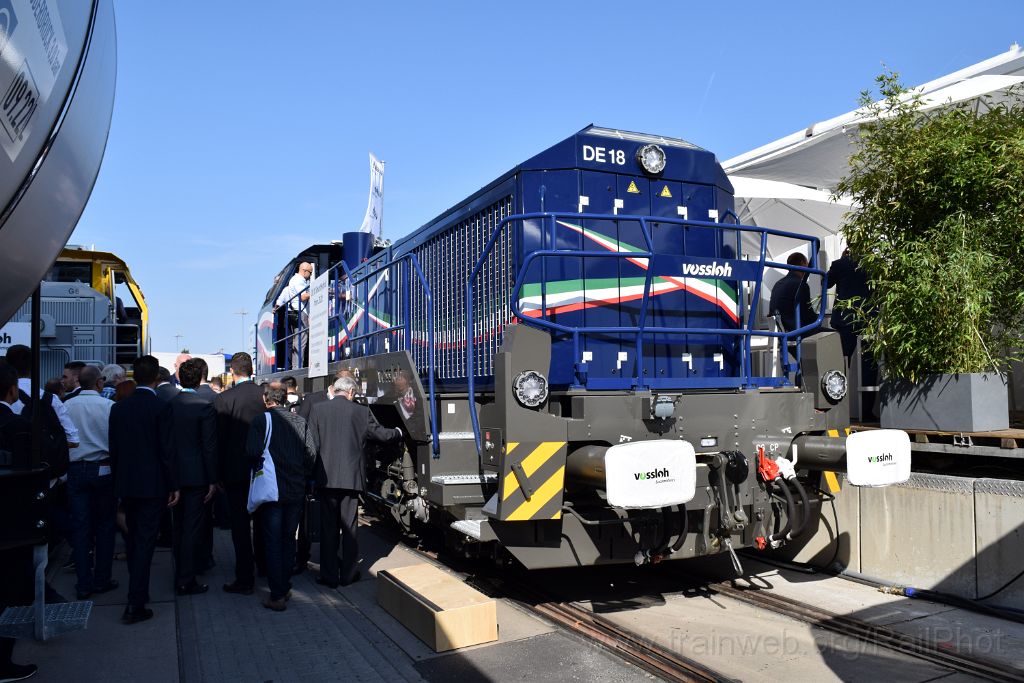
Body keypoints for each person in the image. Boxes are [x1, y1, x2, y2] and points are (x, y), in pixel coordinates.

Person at [308, 376, 402, 587]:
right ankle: (348, 575)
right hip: (351, 478)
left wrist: (312, 476)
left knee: (328, 528)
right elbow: (381, 434)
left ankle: (329, 576)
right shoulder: (360, 412)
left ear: (336, 390)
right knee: (350, 527)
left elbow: (312, 445)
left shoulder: (318, 409)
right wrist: (397, 432)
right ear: (350, 392)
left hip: (326, 478)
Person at [108, 355, 179, 624]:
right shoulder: (161, 407)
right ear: (157, 378)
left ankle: (137, 595)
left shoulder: (119, 408)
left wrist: (118, 482)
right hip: (153, 485)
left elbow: (114, 449)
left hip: (127, 483)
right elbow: (166, 450)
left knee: (133, 538)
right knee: (145, 542)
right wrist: (173, 485)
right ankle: (135, 602)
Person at [246, 383, 316, 610]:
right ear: (285, 398)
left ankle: (276, 595)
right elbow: (311, 453)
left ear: (265, 399)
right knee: (288, 540)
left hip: (271, 491)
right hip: (295, 488)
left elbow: (252, 452)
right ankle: (284, 586)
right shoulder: (300, 421)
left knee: (273, 541)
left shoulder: (260, 420)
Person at [63, 367, 119, 600]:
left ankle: (83, 583)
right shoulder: (109, 406)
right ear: (99, 383)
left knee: (81, 526)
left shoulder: (66, 406)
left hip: (75, 469)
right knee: (105, 525)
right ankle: (102, 579)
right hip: (103, 467)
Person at [163, 359, 218, 595]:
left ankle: (180, 573)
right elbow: (209, 446)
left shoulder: (169, 405)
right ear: (199, 379)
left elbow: (165, 444)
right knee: (192, 528)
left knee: (178, 526)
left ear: (179, 377)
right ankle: (186, 578)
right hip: (197, 476)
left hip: (174, 474)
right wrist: (213, 479)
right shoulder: (204, 406)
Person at [214, 352, 267, 595]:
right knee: (264, 521)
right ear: (251, 370)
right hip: (263, 470)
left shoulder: (224, 399)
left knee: (240, 526)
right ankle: (265, 566)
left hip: (234, 472)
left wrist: (217, 474)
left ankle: (244, 578)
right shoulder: (264, 395)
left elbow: (219, 440)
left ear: (232, 372)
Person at [0, 363, 38, 682]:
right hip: (10, 525)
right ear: (12, 390)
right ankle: (2, 663)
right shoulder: (17, 425)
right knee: (10, 593)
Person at [826, 248, 871, 361]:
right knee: (868, 357)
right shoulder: (873, 264)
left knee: (846, 357)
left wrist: (842, 259)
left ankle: (848, 372)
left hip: (845, 317)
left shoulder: (839, 264)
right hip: (868, 316)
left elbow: (825, 283)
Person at [768, 252, 817, 335]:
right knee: (833, 334)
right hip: (795, 330)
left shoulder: (778, 283)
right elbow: (808, 315)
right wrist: (818, 319)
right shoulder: (800, 285)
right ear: (802, 263)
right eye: (807, 263)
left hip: (780, 330)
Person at [275, 262, 312, 369]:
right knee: (301, 341)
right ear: (304, 271)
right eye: (310, 272)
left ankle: (296, 365)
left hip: (294, 312)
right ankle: (298, 366)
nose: (310, 275)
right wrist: (316, 290)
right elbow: (302, 297)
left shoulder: (293, 280)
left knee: (297, 341)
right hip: (300, 312)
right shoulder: (299, 280)